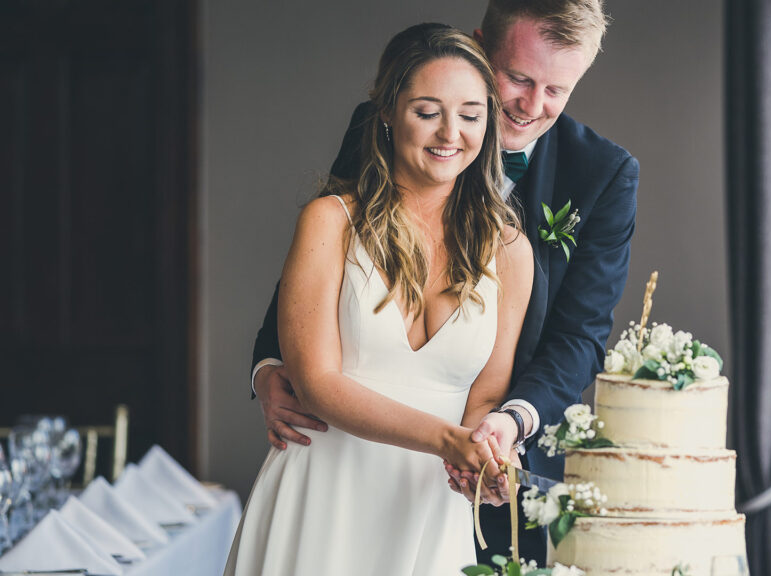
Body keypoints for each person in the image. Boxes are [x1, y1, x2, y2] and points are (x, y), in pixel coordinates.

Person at [250, 0, 639, 564]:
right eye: (519, 79)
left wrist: (505, 427)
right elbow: (320, 270)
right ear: (481, 47)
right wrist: (268, 367)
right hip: (328, 466)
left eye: (558, 90)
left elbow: (578, 337)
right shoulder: (388, 122)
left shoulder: (599, 177)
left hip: (468, 478)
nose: (532, 106)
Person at [224, 23, 534, 575]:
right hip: (322, 492)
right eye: (427, 111)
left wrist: (489, 458)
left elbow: (483, 399)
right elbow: (316, 383)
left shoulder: (511, 250)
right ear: (388, 111)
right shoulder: (330, 222)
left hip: (428, 506)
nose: (450, 133)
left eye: (470, 114)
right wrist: (447, 440)